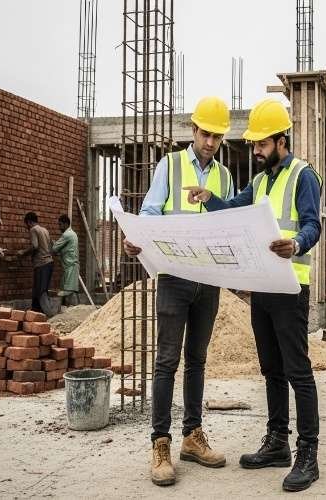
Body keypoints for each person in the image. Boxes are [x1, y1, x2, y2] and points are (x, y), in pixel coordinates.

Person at [185, 98, 322, 492]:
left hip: (290, 287)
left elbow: (312, 224)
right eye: (255, 144)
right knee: (271, 371)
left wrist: (296, 243)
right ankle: (277, 442)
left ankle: (307, 454)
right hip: (262, 287)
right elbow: (232, 210)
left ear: (281, 140)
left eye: (261, 144)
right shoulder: (260, 182)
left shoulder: (303, 176)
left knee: (298, 372)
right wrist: (209, 199)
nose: (256, 150)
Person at [122, 96, 234, 486]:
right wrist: (137, 238)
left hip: (209, 280)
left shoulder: (224, 174)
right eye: (206, 134)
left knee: (197, 359)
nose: (211, 142)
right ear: (193, 130)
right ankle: (160, 443)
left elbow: (229, 219)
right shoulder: (169, 165)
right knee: (167, 360)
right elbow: (151, 212)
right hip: (173, 276)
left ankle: (192, 436)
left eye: (217, 136)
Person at [17, 212, 54, 314]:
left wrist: (23, 252)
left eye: (26, 225)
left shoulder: (33, 230)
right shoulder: (45, 230)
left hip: (41, 264)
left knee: (41, 291)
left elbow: (35, 246)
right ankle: (36, 312)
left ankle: (50, 315)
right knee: (39, 290)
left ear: (29, 222)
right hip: (49, 263)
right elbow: (51, 246)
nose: (27, 228)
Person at [52, 214, 79, 306]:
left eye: (60, 225)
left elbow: (54, 248)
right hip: (71, 265)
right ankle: (70, 309)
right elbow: (65, 249)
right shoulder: (73, 234)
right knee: (70, 289)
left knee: (67, 291)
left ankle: (69, 311)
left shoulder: (67, 235)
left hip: (69, 266)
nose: (59, 227)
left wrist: (53, 244)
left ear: (65, 224)